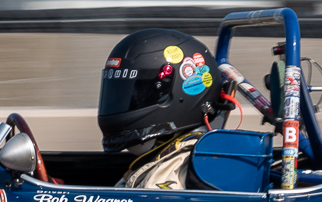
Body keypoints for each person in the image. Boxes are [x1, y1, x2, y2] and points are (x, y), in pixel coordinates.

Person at [98, 28, 236, 190]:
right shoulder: (157, 162)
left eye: (138, 94)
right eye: (120, 93)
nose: (121, 101)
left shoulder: (171, 174)